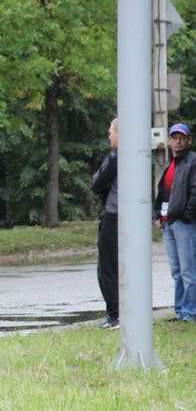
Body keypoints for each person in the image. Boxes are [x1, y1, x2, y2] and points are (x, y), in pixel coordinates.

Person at [153, 122, 196, 322]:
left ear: (188, 140)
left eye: (182, 138)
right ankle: (180, 310)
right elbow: (163, 194)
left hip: (184, 223)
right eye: (174, 137)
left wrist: (186, 216)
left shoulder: (192, 161)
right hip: (168, 224)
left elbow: (194, 192)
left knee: (188, 270)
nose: (178, 141)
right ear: (169, 141)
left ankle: (190, 312)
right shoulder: (170, 164)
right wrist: (157, 216)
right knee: (176, 271)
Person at [92, 118, 119, 329]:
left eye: (111, 132)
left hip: (112, 216)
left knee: (107, 269)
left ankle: (115, 315)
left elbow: (97, 183)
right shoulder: (138, 157)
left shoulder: (115, 157)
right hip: (129, 218)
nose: (109, 135)